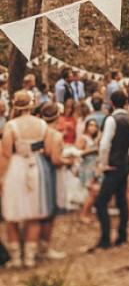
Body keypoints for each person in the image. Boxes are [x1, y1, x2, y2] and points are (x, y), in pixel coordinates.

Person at [0, 91, 62, 269]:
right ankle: (30, 257)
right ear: (31, 104)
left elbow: (5, 155)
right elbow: (50, 149)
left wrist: (1, 177)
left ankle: (16, 258)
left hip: (16, 168)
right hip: (37, 168)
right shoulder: (42, 125)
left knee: (13, 215)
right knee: (34, 214)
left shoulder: (11, 126)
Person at [90, 90, 129, 251]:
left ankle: (105, 238)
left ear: (111, 103)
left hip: (112, 165)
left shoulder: (111, 120)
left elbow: (104, 144)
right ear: (125, 103)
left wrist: (103, 164)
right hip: (125, 164)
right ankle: (122, 235)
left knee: (101, 202)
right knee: (121, 200)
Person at [36, 103, 66, 261]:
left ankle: (35, 244)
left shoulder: (38, 132)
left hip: (37, 171)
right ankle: (44, 247)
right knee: (50, 209)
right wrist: (68, 161)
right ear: (58, 116)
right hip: (51, 173)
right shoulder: (54, 134)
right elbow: (55, 159)